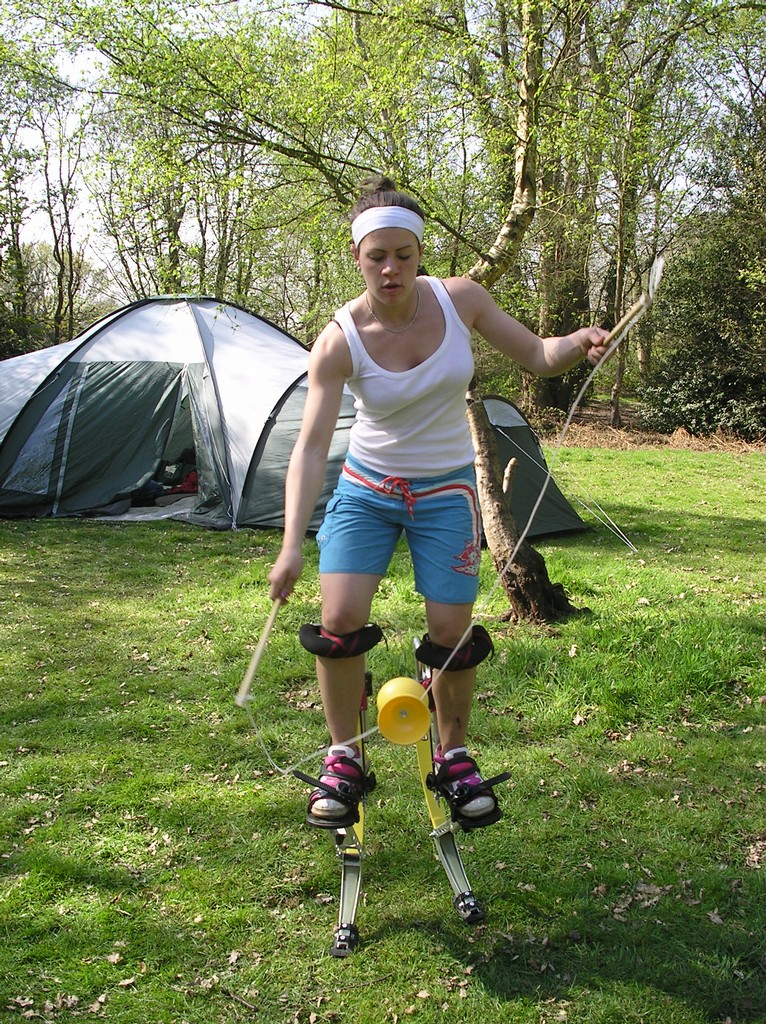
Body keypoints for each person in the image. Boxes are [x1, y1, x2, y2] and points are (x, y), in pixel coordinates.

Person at [268, 175, 609, 831]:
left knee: (452, 634)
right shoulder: (339, 339)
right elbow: (310, 448)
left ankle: (453, 756)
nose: (390, 269)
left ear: (420, 253)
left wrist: (578, 343)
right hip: (368, 490)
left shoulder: (462, 301)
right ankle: (344, 758)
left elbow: (539, 354)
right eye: (377, 256)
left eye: (404, 254)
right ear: (357, 256)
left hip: (446, 492)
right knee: (338, 622)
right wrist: (289, 547)